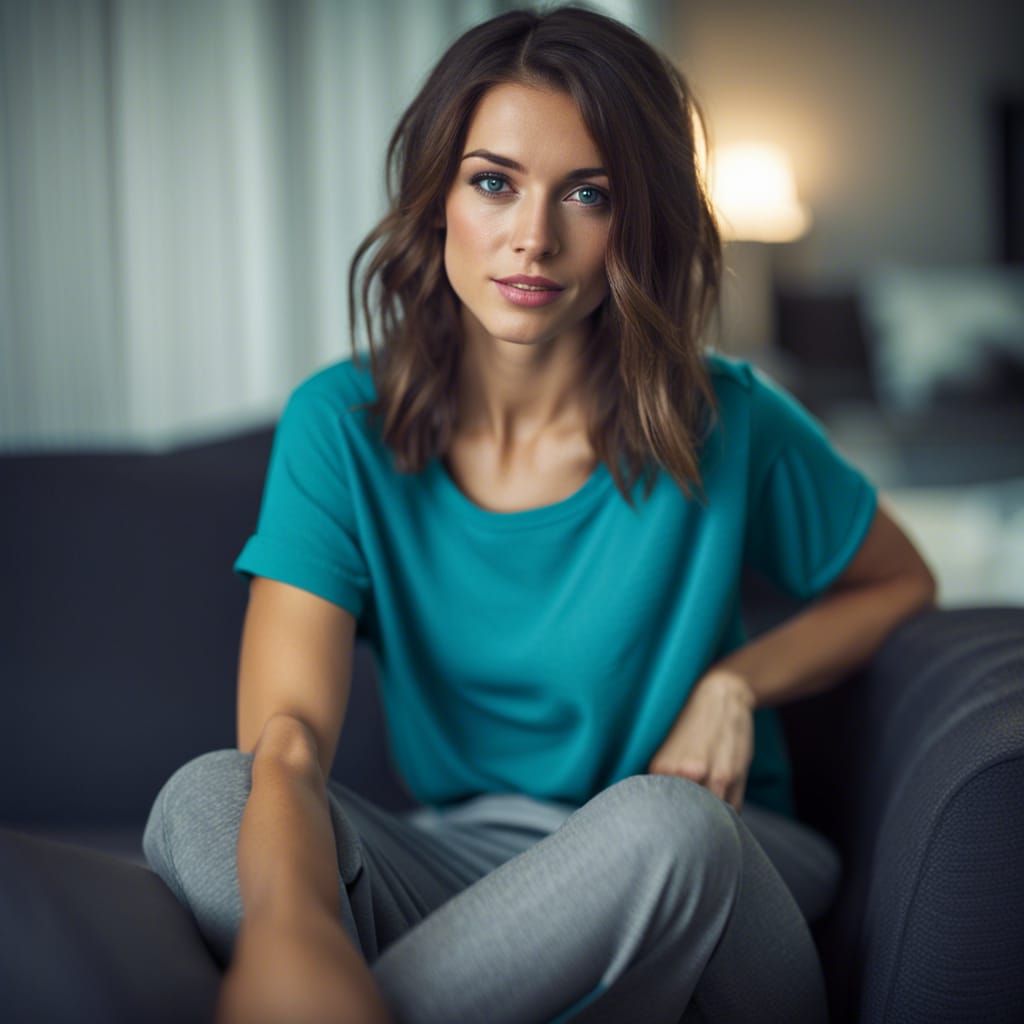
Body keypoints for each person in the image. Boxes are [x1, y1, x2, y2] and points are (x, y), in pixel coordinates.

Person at [142, 5, 938, 1023]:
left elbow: (901, 580)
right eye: (493, 182)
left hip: (703, 867)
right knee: (212, 795)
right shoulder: (338, 427)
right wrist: (292, 933)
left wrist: (736, 683)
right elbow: (287, 745)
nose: (532, 237)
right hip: (459, 864)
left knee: (667, 826)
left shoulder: (726, 418)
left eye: (587, 194)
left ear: (636, 218)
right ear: (438, 199)